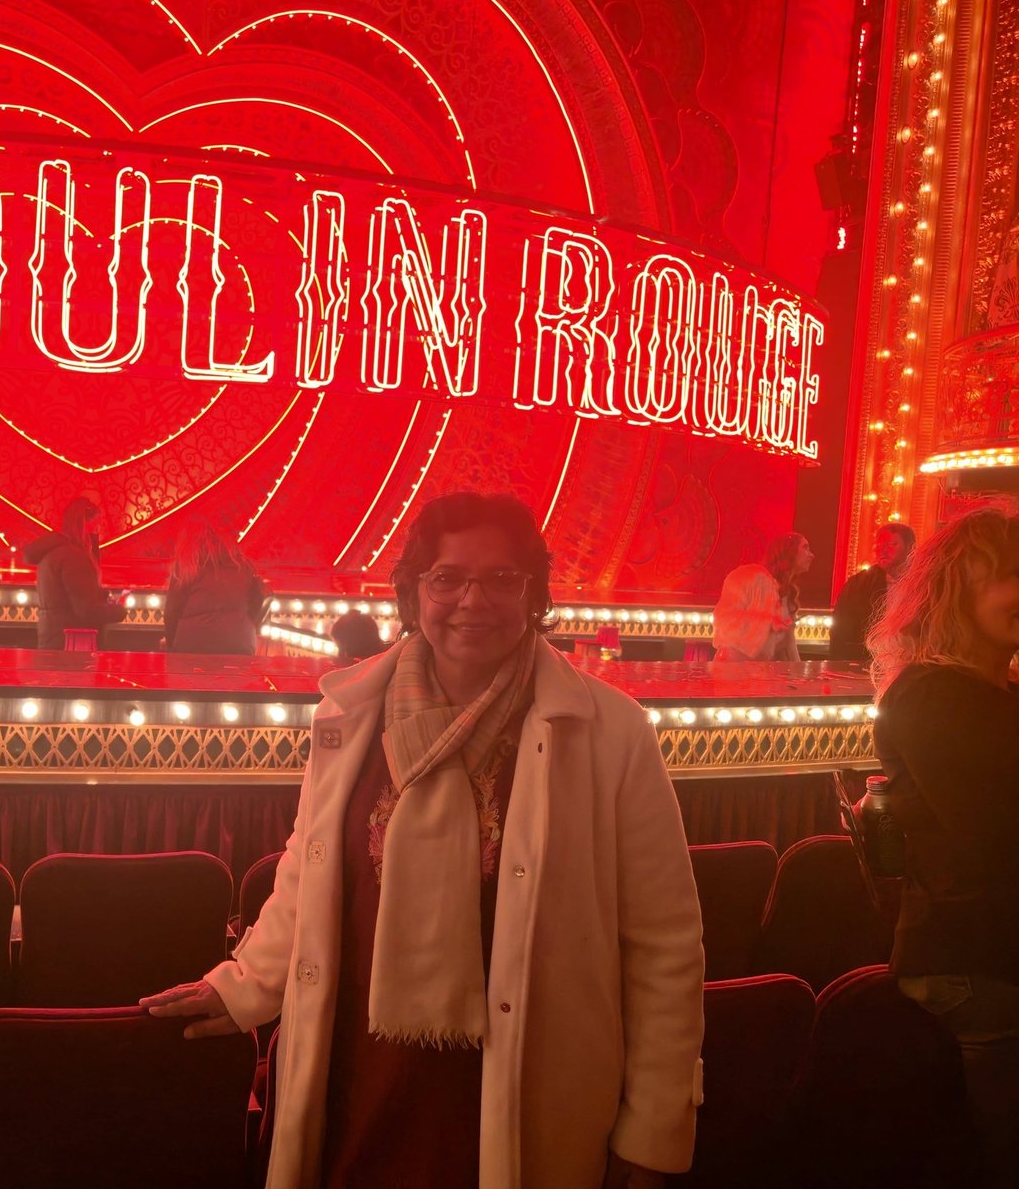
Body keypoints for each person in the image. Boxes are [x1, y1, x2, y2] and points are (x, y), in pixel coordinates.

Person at [144, 492, 704, 1189]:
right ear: (414, 592)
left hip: (522, 1090)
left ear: (533, 593)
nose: (473, 600)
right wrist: (243, 984)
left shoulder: (611, 734)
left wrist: (653, 1131)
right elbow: (309, 872)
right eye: (447, 578)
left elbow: (663, 942)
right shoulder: (351, 712)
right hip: (361, 1077)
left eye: (501, 578)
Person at [870, 504, 1019, 1187]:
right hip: (976, 964)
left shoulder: (993, 692)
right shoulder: (935, 695)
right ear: (959, 590)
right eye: (1012, 576)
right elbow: (998, 839)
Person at [22, 497, 126, 650]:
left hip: (52, 638)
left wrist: (100, 596)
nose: (98, 532)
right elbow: (87, 611)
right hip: (73, 644)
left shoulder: (51, 553)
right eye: (96, 525)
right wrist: (119, 610)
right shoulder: (75, 558)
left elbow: (66, 598)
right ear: (85, 524)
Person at [163, 521, 267, 655]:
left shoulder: (186, 567)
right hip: (239, 642)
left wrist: (172, 644)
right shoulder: (244, 567)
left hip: (193, 643)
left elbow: (172, 612)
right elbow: (257, 603)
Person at [711, 532, 813, 661]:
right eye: (805, 548)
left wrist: (798, 673)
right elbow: (724, 618)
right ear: (789, 550)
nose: (811, 555)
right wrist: (768, 621)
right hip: (733, 663)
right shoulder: (750, 577)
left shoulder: (786, 595)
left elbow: (788, 647)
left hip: (758, 669)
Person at [830, 523, 915, 660]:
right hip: (867, 660)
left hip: (912, 660)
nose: (883, 551)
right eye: (879, 545)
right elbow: (841, 630)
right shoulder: (859, 585)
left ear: (910, 547)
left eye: (892, 545)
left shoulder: (926, 582)